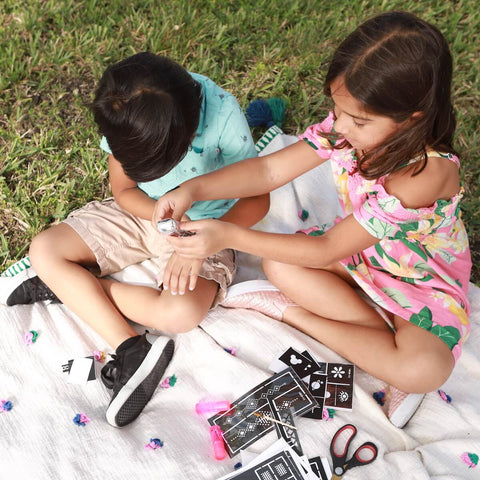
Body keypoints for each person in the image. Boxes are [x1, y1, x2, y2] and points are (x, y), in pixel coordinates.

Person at [152, 12, 472, 428]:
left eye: (357, 120)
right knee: (280, 262)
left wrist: (228, 234)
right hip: (362, 261)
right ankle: (378, 342)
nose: (339, 127)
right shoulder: (347, 130)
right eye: (336, 111)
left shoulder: (427, 173)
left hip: (421, 282)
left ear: (411, 118)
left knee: (424, 370)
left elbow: (326, 248)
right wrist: (193, 190)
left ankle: (292, 314)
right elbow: (269, 172)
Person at [4, 52, 269, 427]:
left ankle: (76, 289)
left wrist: (204, 241)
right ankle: (130, 347)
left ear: (188, 135)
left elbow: (259, 196)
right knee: (44, 250)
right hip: (142, 212)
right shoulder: (126, 113)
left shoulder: (223, 116)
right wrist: (157, 212)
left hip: (211, 226)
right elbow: (125, 191)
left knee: (181, 313)